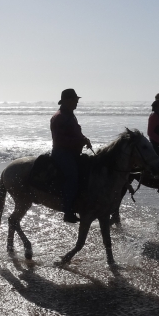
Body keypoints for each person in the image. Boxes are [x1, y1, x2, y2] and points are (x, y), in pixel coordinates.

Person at [50, 88, 92, 223]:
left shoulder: (70, 115)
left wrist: (84, 139)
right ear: (67, 100)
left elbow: (75, 133)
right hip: (62, 153)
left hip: (73, 152)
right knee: (72, 176)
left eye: (77, 100)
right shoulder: (59, 117)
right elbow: (60, 140)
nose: (76, 103)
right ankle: (68, 211)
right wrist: (79, 141)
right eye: (75, 100)